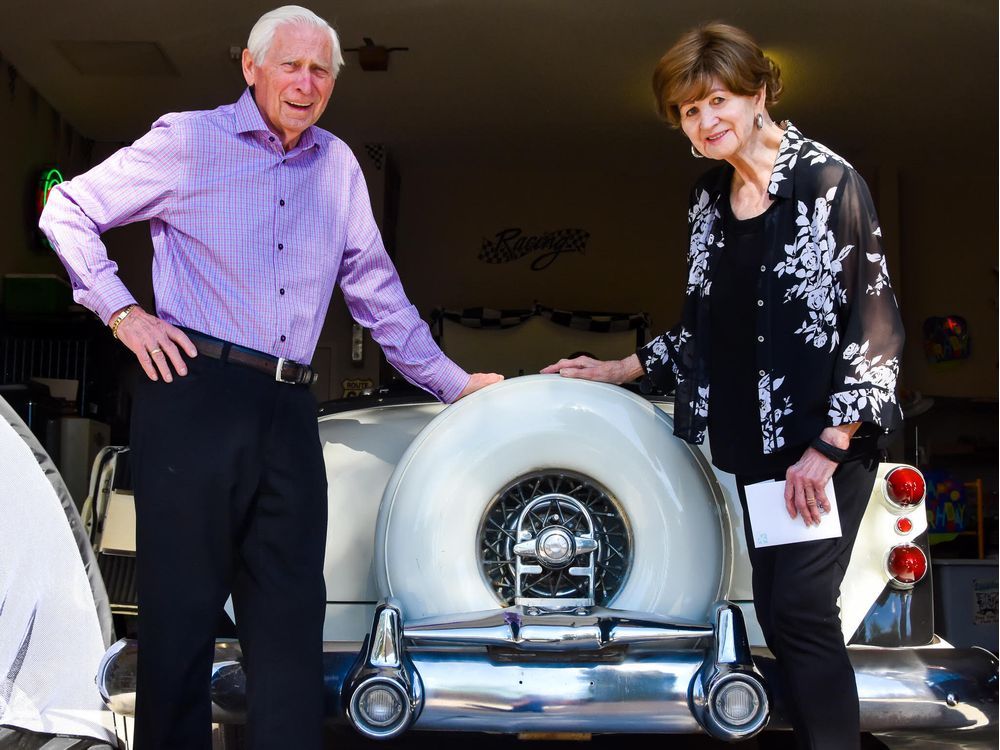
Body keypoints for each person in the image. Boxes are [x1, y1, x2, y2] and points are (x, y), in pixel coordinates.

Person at [40, 6, 501, 749]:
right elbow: (67, 209)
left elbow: (375, 291)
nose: (307, 82)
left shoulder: (338, 164)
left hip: (290, 409)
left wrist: (452, 383)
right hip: (194, 392)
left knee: (289, 630)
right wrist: (123, 313)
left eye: (321, 70)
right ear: (251, 68)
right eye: (291, 65)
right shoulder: (190, 141)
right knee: (180, 625)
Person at [543, 22, 903, 750]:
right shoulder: (708, 199)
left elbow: (876, 321)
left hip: (822, 447)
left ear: (759, 91)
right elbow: (704, 325)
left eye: (716, 100)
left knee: (801, 608)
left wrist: (830, 446)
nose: (706, 122)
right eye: (688, 110)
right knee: (783, 612)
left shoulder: (826, 181)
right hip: (759, 446)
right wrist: (616, 369)